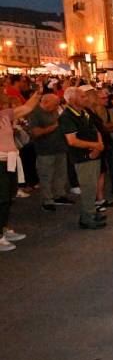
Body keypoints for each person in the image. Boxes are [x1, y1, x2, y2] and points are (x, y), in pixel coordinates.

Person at [0, 82, 41, 250]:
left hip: (9, 160)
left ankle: (4, 228)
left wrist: (37, 94)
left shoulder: (3, 115)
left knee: (8, 197)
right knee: (1, 199)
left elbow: (26, 109)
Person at [60, 86, 107, 230]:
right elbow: (72, 141)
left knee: (92, 186)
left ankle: (91, 212)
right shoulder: (67, 116)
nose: (86, 98)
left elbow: (95, 130)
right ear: (72, 99)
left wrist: (99, 145)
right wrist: (95, 146)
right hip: (82, 157)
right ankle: (87, 217)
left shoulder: (83, 113)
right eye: (82, 96)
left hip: (93, 153)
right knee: (87, 187)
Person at [29, 93, 73, 212]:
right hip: (45, 150)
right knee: (46, 176)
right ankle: (47, 200)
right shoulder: (35, 113)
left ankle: (59, 195)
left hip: (60, 147)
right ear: (46, 102)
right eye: (54, 105)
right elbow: (35, 132)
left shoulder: (54, 110)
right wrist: (52, 128)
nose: (56, 107)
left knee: (61, 173)